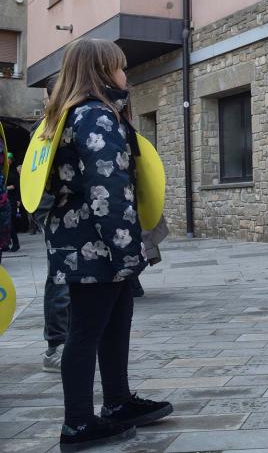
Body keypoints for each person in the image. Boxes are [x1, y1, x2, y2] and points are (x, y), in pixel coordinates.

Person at [40, 38, 172, 451]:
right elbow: (108, 188)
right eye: (120, 67)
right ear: (101, 72)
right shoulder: (95, 116)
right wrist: (127, 249)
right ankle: (78, 423)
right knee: (86, 332)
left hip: (79, 241)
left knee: (113, 322)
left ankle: (117, 402)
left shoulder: (68, 115)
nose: (125, 75)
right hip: (97, 244)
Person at [35, 73, 71, 372]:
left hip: (69, 214)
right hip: (55, 213)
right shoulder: (48, 126)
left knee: (67, 279)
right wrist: (45, 212)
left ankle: (66, 341)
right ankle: (56, 345)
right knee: (60, 279)